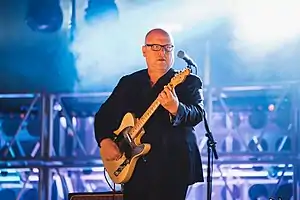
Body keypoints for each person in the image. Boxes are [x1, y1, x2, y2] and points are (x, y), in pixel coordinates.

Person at [94, 28, 204, 200]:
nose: (162, 52)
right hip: (134, 167)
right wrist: (104, 141)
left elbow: (197, 113)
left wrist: (176, 108)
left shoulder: (188, 81)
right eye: (155, 47)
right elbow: (103, 116)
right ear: (144, 50)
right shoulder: (129, 83)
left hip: (173, 166)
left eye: (168, 48)